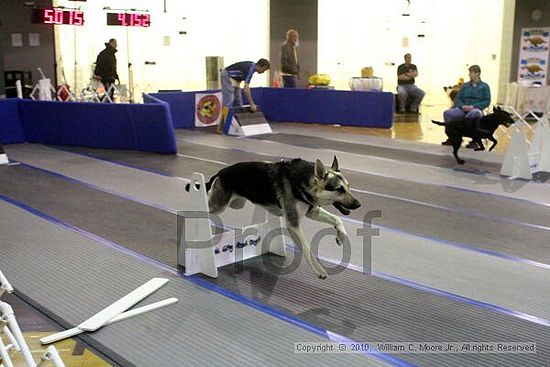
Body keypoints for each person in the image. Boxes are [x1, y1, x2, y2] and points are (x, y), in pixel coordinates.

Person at [441, 65, 491, 146]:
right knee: (448, 113)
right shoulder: (465, 86)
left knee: (475, 113)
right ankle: (452, 137)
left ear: (477, 73)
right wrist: (462, 106)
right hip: (463, 109)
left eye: (470, 73)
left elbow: (487, 101)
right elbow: (457, 99)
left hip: (475, 109)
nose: (469, 75)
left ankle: (475, 140)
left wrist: (474, 106)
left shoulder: (484, 86)